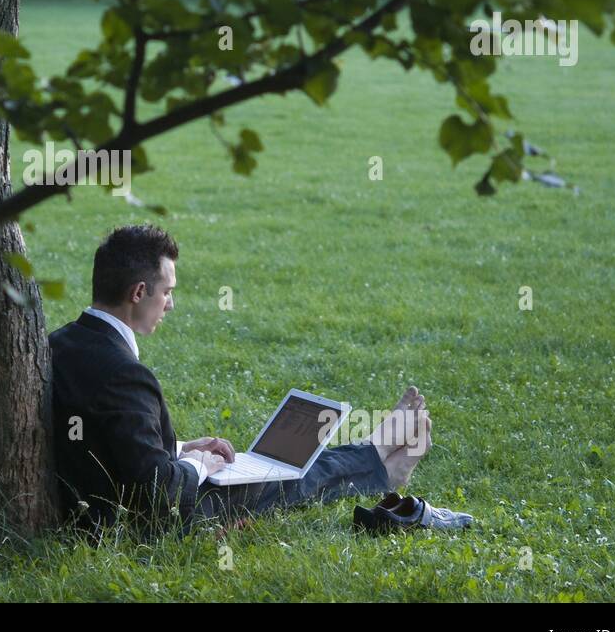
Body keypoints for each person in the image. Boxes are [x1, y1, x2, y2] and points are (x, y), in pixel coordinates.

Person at [50, 224, 431, 536]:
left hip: (97, 503)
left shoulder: (60, 342)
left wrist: (178, 447)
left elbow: (111, 441)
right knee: (275, 480)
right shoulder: (126, 374)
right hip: (148, 522)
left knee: (268, 468)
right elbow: (156, 493)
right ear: (138, 292)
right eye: (167, 292)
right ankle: (381, 462)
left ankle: (375, 458)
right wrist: (199, 464)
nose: (171, 304)